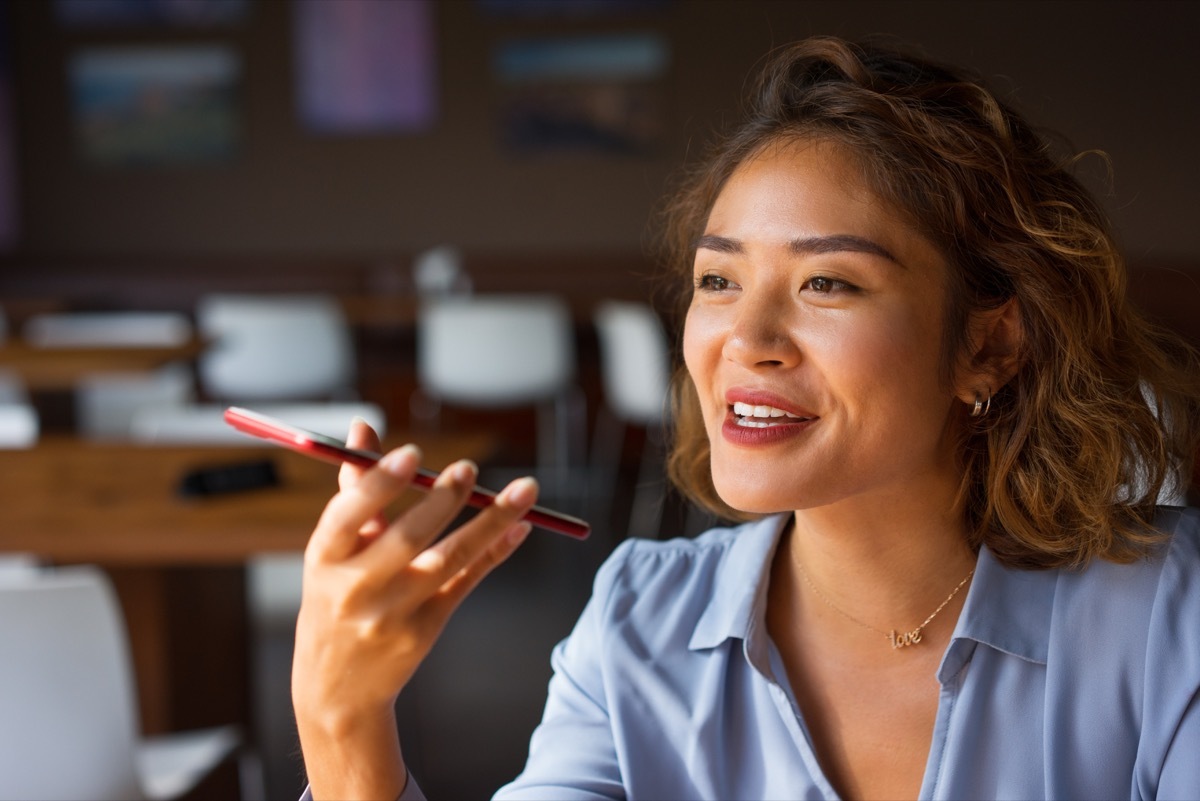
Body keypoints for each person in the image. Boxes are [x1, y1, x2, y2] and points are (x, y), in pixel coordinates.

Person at [292, 35, 1200, 800]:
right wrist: (344, 724)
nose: (746, 339)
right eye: (718, 281)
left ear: (989, 347)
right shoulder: (639, 620)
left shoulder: (1168, 618)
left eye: (827, 283)